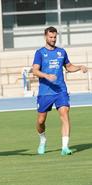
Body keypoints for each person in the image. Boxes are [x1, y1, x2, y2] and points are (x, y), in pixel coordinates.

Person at [32, 26, 87, 155]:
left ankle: (65, 147)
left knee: (65, 115)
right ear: (45, 37)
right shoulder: (39, 53)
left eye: (55, 37)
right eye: (51, 37)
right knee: (41, 121)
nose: (53, 39)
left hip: (60, 91)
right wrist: (46, 76)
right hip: (45, 92)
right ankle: (42, 139)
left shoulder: (61, 52)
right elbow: (35, 70)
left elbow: (68, 66)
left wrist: (79, 67)